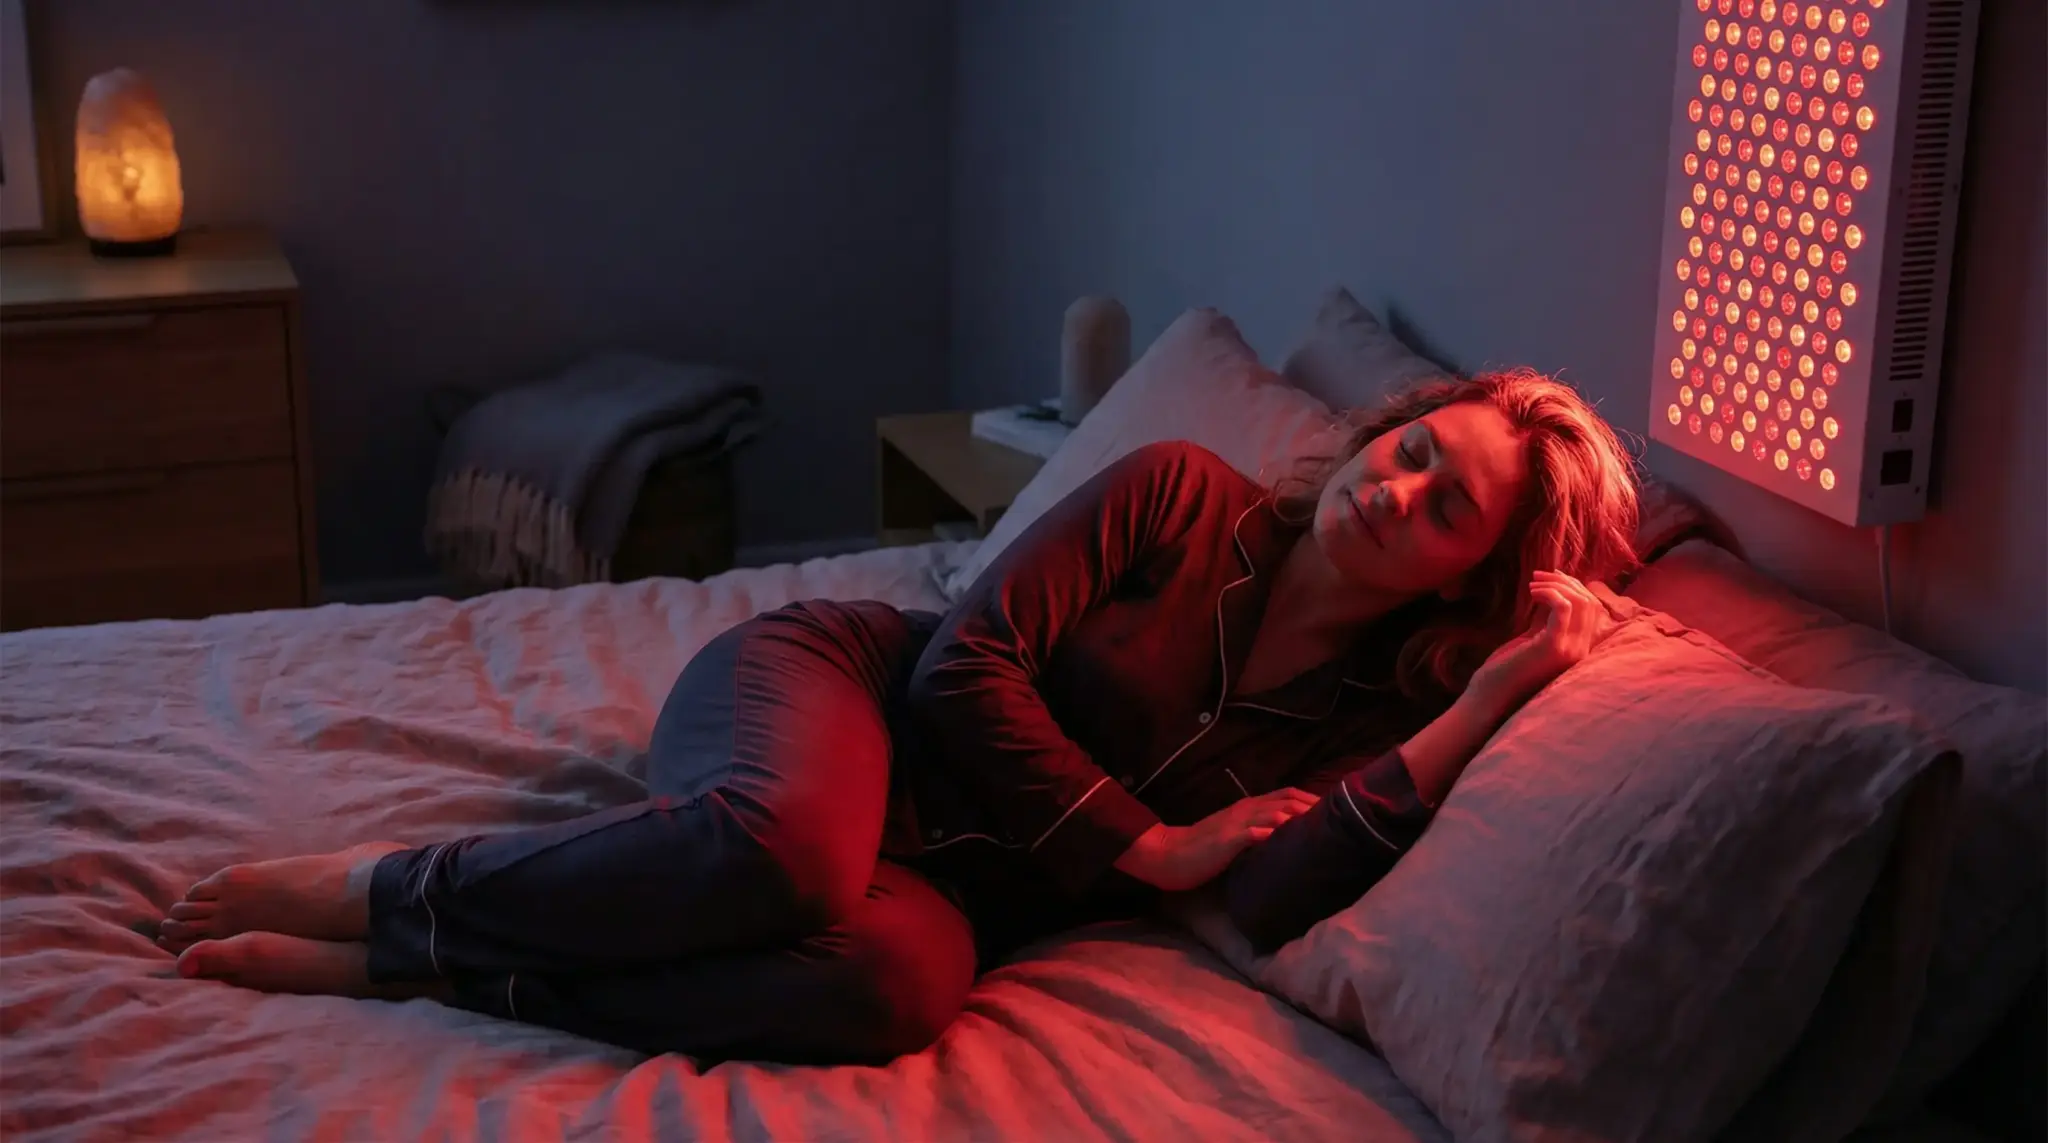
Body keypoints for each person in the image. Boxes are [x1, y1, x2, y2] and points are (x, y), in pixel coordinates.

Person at [156, 367, 1641, 1066]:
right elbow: (964, 666)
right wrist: (1149, 845)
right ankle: (398, 894)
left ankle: (464, 982)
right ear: (1385, 425)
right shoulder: (1185, 492)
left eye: (1447, 506)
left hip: (952, 881)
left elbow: (1271, 889)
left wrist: (1495, 696)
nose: (1397, 489)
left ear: (1471, 575)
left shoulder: (1346, 721)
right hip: (843, 695)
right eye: (1414, 447)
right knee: (789, 852)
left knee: (892, 993)